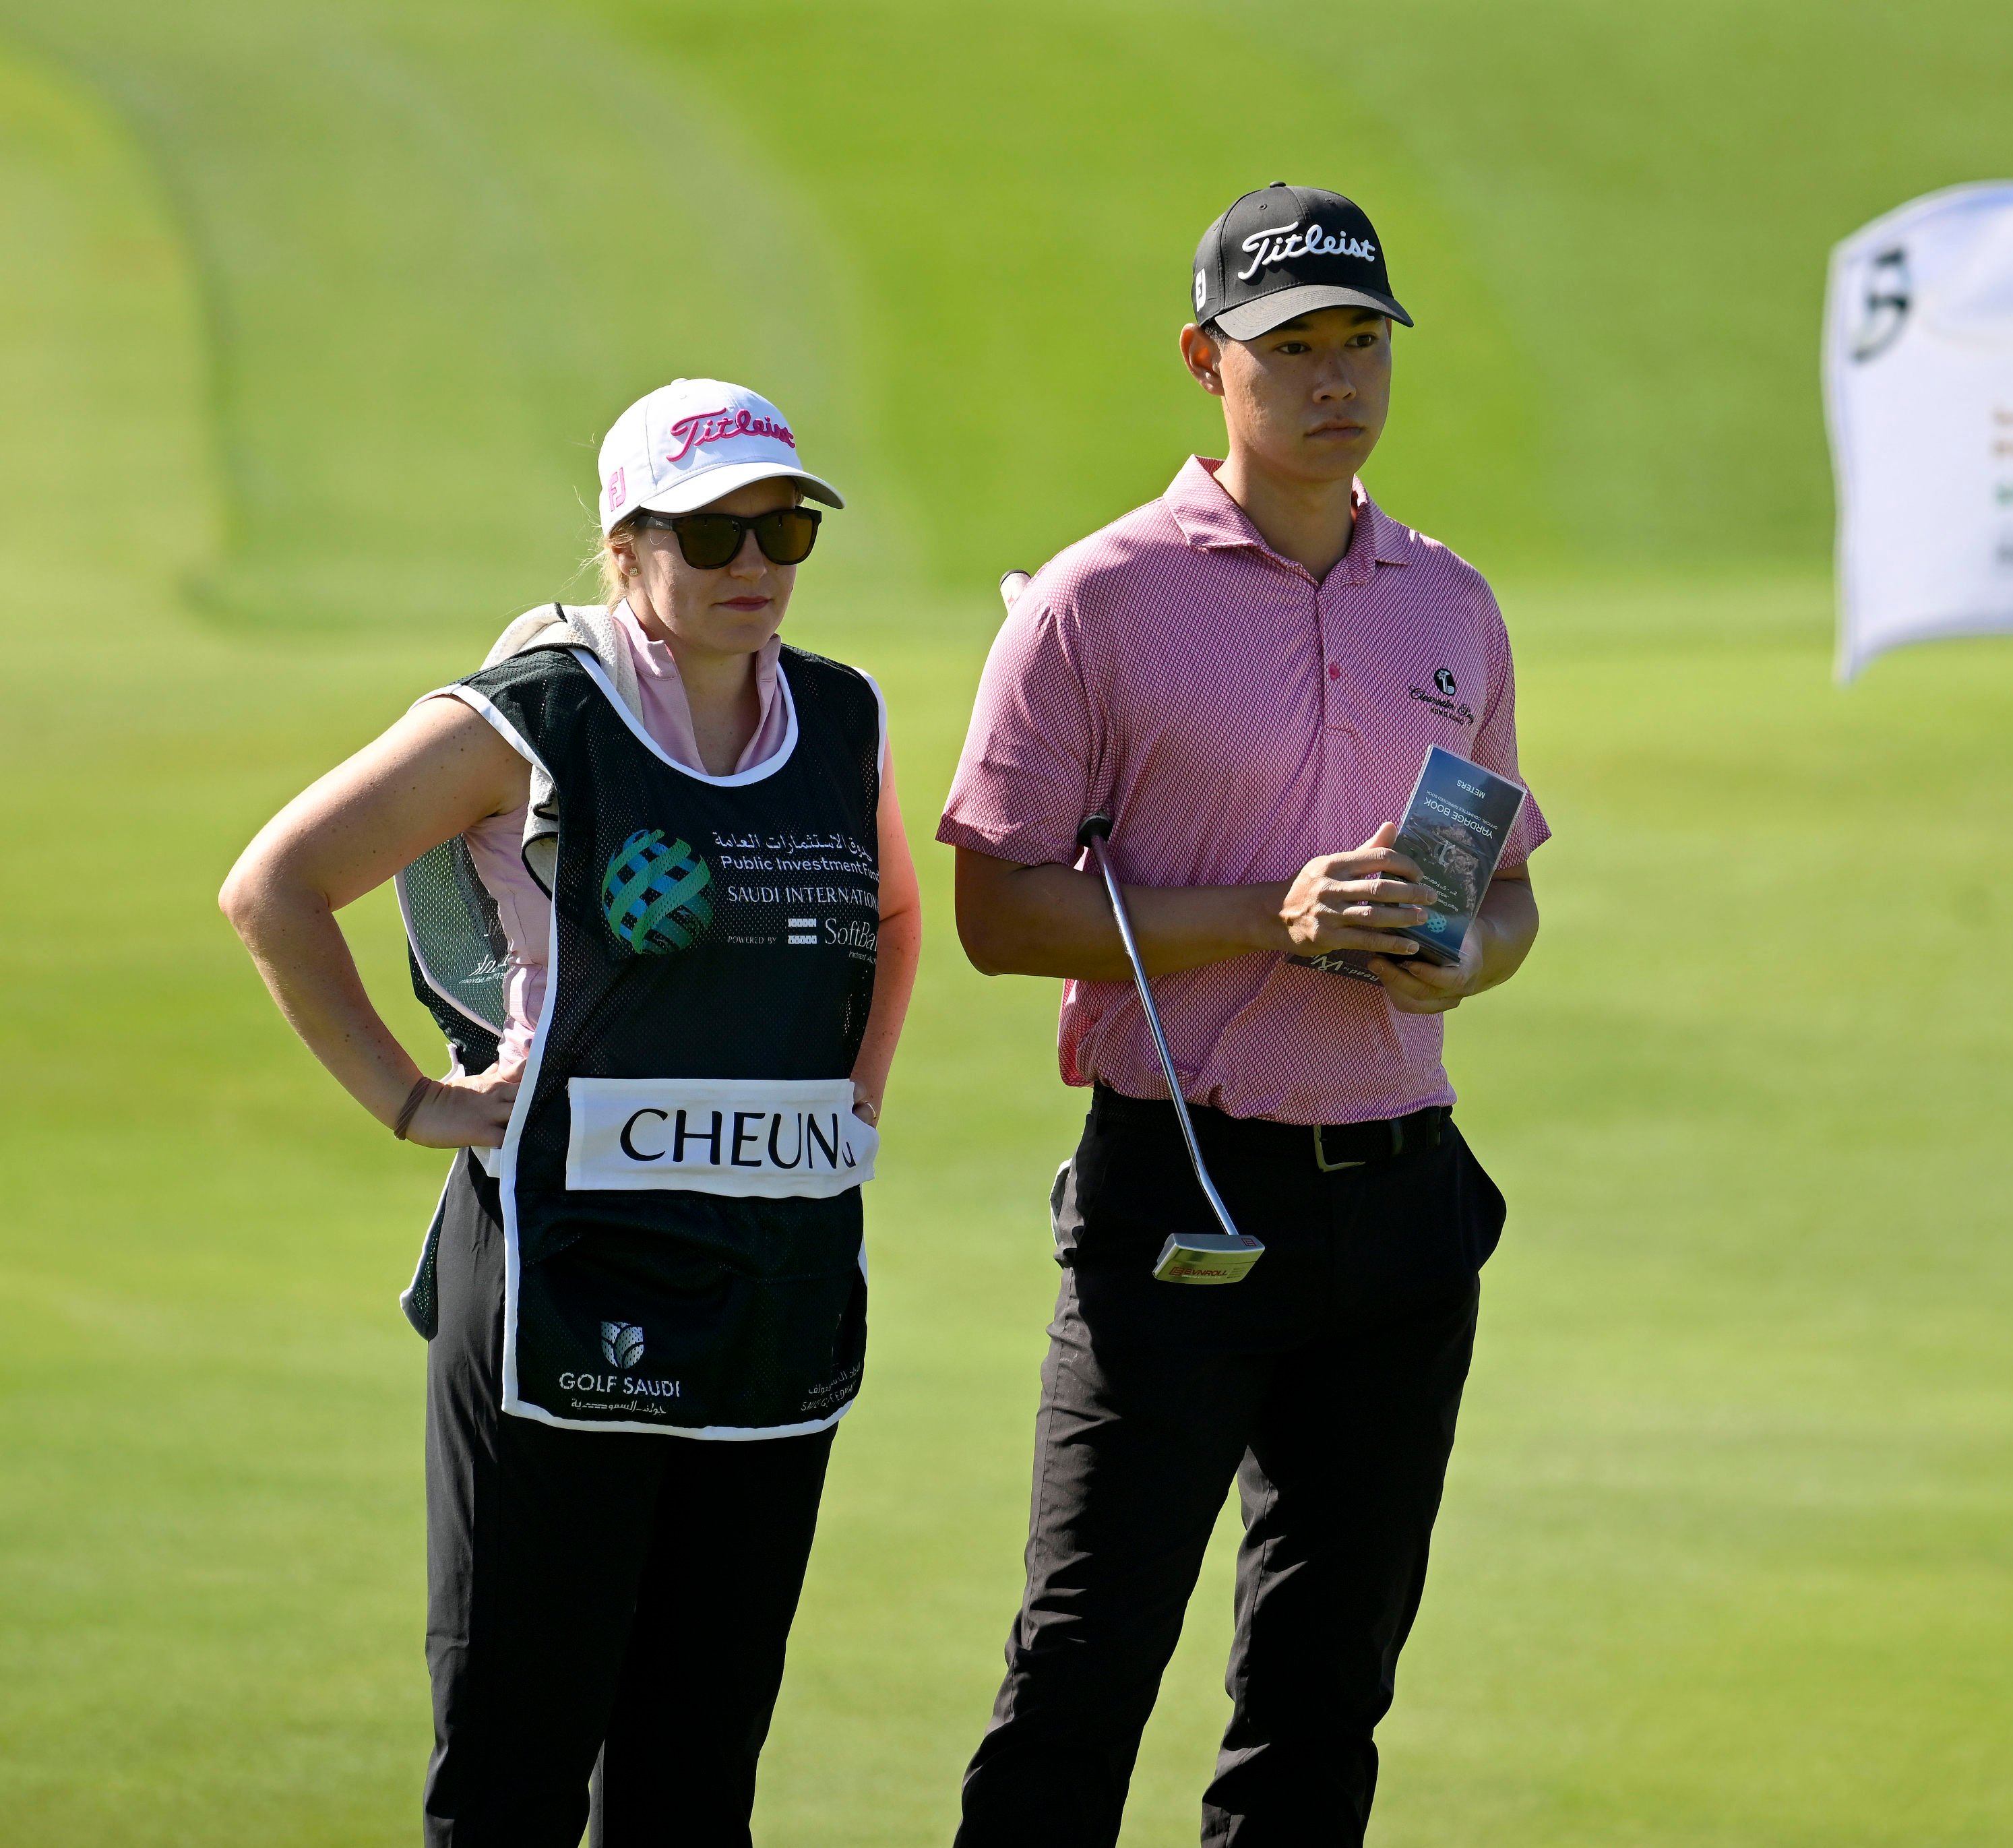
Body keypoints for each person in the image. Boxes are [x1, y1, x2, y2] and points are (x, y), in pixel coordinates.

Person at [218, 378, 920, 1845]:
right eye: (709, 531)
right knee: (517, 1764)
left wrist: (844, 1109)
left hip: (773, 1289)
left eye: (783, 525)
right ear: (624, 545)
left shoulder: (840, 716)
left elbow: (895, 917)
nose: (755, 563)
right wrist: (408, 1101)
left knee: (695, 1771)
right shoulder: (534, 715)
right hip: (559, 1280)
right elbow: (276, 886)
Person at [939, 183, 1548, 1845]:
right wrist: (1267, 917)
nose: (1334, 377)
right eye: (1292, 347)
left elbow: (1504, 895)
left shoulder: (1449, 604)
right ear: (1209, 360)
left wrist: (1458, 955)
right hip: (1178, 1203)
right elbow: (997, 913)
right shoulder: (1096, 602)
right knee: (1084, 1665)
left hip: (1400, 1206)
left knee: (1322, 1686)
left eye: (1361, 341)